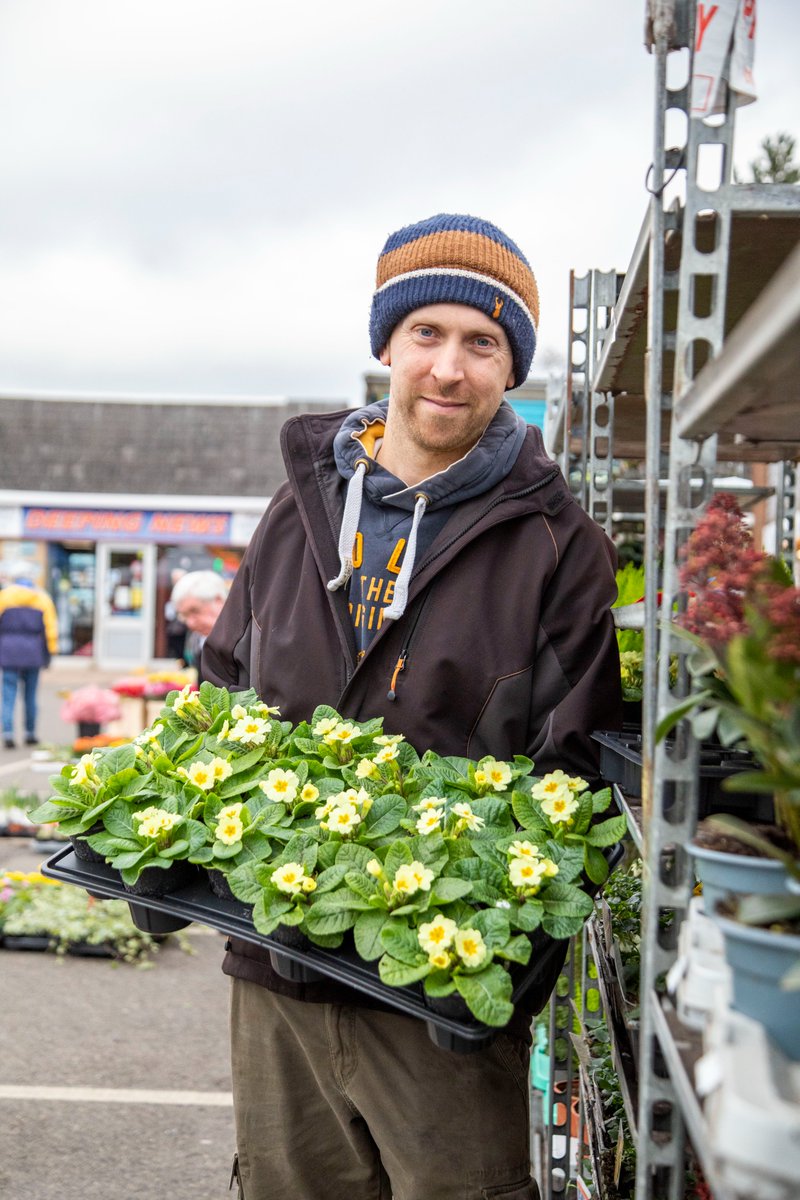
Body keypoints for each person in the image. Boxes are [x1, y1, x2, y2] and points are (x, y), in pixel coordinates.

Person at [202, 213, 622, 1200]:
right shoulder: (295, 506)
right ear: (385, 342)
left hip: (438, 992)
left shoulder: (557, 546)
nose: (447, 367)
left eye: (482, 343)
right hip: (278, 970)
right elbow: (220, 689)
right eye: (425, 333)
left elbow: (575, 784)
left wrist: (500, 981)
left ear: (510, 367)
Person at [0, 562, 59, 749]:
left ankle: (8, 732)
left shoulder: (4, 597)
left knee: (8, 695)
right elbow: (51, 629)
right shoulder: (42, 599)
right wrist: (51, 652)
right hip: (33, 653)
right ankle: (30, 733)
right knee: (31, 695)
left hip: (8, 652)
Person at [169, 570, 228, 678]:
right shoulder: (198, 642)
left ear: (218, 600)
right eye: (185, 615)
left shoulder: (246, 640)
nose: (190, 623)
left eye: (195, 611)